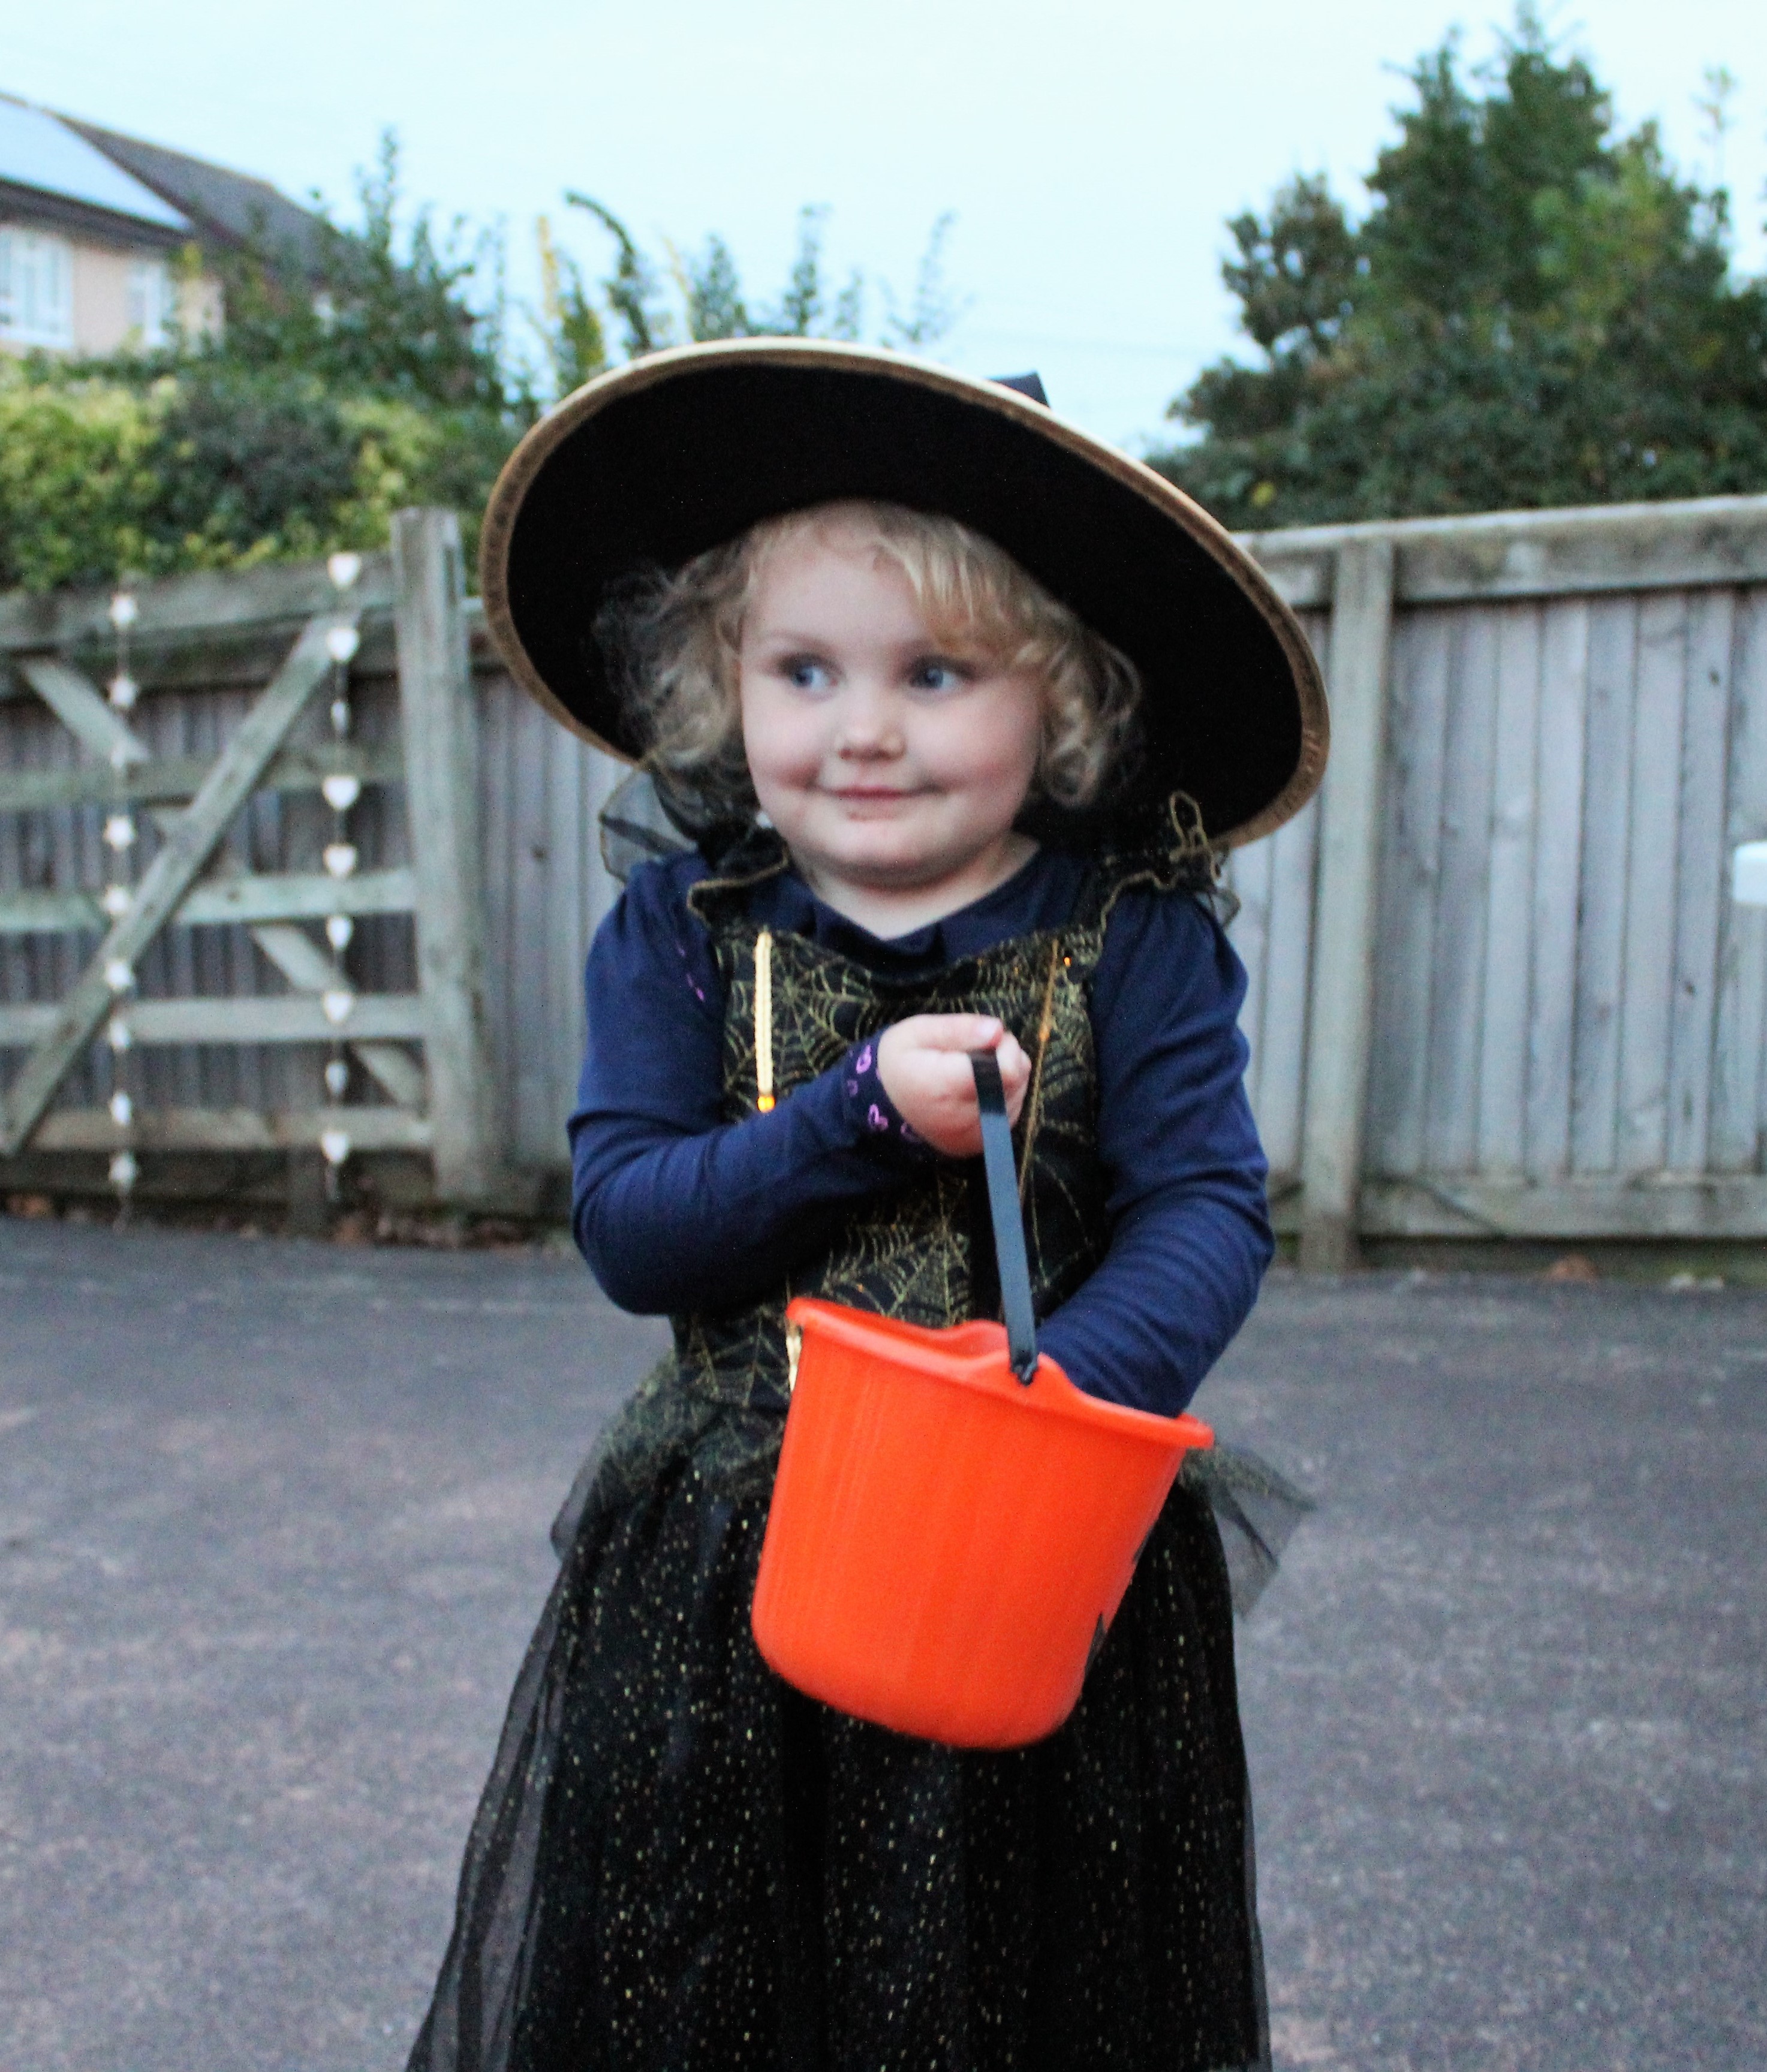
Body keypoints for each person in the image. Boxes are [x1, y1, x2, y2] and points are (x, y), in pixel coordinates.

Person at [408, 341, 1327, 2072]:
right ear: (720, 684)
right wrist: (849, 1113)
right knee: (701, 1980)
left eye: (937, 672)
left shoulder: (1128, 937)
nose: (865, 729)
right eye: (804, 669)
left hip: (1032, 1553)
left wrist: (1059, 1393)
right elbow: (635, 1226)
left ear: (1056, 700)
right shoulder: (686, 928)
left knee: (1024, 1975)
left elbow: (1205, 1205)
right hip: (726, 1561)